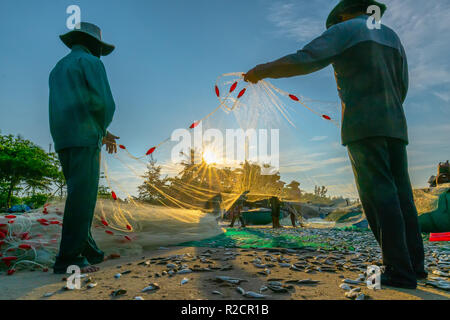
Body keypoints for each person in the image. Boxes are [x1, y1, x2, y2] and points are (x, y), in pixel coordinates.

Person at [244, 0, 425, 289]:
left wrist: (262, 70)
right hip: (395, 124)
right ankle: (415, 267)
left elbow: (306, 58)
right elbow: (402, 84)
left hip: (363, 125)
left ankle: (398, 272)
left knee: (380, 197)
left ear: (342, 15)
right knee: (402, 195)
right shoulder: (391, 35)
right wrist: (389, 110)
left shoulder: (347, 30)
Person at [49, 22, 119, 274]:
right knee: (83, 198)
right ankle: (69, 257)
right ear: (93, 44)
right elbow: (103, 104)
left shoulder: (58, 68)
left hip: (63, 138)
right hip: (85, 137)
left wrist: (103, 131)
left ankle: (90, 252)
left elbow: (75, 104)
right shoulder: (92, 63)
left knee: (78, 194)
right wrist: (102, 130)